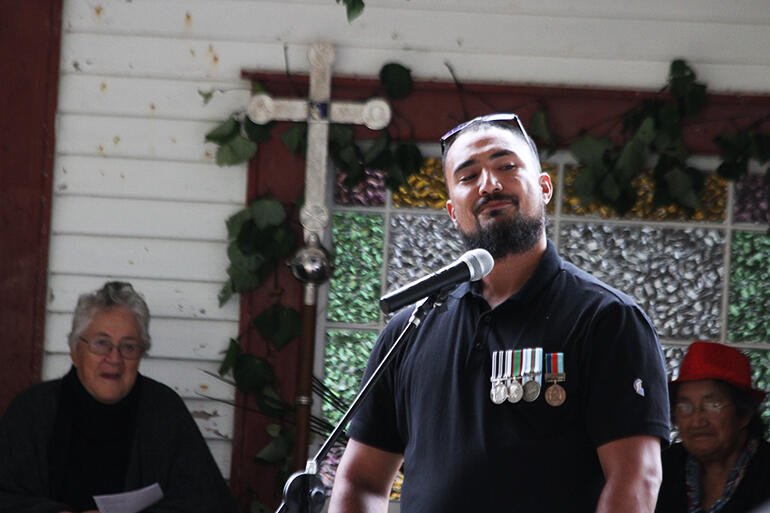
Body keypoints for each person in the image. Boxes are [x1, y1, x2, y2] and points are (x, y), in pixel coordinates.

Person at [328, 113, 671, 513]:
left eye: (506, 166)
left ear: (544, 188)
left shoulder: (607, 320)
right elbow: (360, 481)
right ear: (452, 210)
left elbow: (636, 480)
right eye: (468, 176)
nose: (489, 184)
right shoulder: (410, 329)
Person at [0, 281, 240, 513]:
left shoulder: (165, 411)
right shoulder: (31, 411)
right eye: (101, 343)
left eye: (128, 346)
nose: (114, 358)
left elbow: (207, 502)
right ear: (74, 350)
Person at [656, 341, 770, 513]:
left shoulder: (765, 471)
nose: (697, 421)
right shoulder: (664, 469)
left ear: (744, 414)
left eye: (713, 405)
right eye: (685, 407)